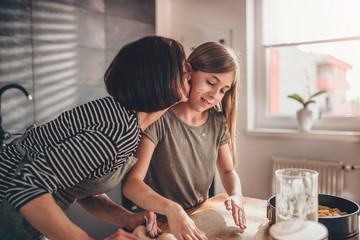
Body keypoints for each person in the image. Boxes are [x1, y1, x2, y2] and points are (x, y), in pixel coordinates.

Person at [0, 35, 190, 240]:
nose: (189, 70)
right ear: (159, 76)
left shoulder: (122, 117)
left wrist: (128, 219)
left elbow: (81, 182)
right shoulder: (117, 131)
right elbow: (27, 185)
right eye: (182, 66)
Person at [123, 42, 247, 240]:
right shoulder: (160, 118)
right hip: (159, 223)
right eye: (211, 83)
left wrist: (236, 194)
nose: (215, 95)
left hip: (195, 218)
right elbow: (131, 184)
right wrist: (171, 209)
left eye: (223, 90)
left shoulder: (217, 121)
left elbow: (227, 170)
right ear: (189, 71)